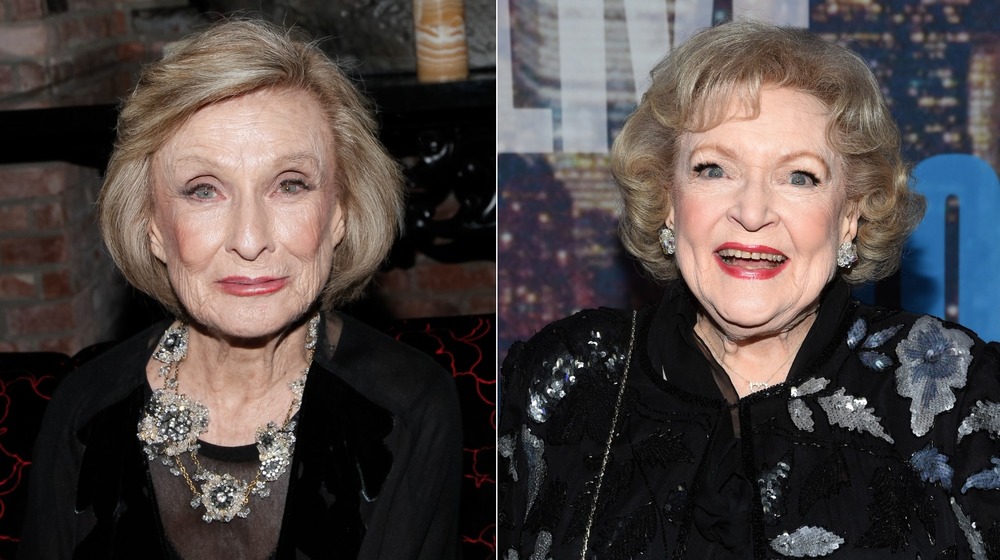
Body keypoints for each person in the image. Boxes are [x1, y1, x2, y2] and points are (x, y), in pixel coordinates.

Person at [498, 18, 1000, 559]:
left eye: (799, 176)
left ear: (850, 216)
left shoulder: (957, 387)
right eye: (714, 169)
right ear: (668, 199)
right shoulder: (564, 378)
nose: (753, 213)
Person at [19, 18, 461, 559]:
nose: (250, 240)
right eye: (204, 191)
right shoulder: (84, 413)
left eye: (289, 185)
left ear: (339, 214)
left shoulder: (409, 408)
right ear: (153, 226)